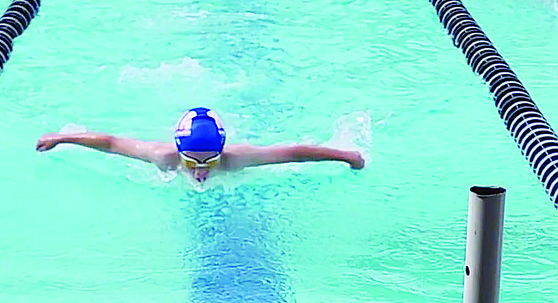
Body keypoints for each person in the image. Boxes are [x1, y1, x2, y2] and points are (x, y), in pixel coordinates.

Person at [35, 107, 366, 183]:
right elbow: (110, 143)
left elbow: (295, 153)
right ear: (180, 153)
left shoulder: (236, 160)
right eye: (193, 161)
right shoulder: (163, 158)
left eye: (210, 160)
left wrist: (346, 155)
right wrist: (62, 138)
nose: (203, 169)